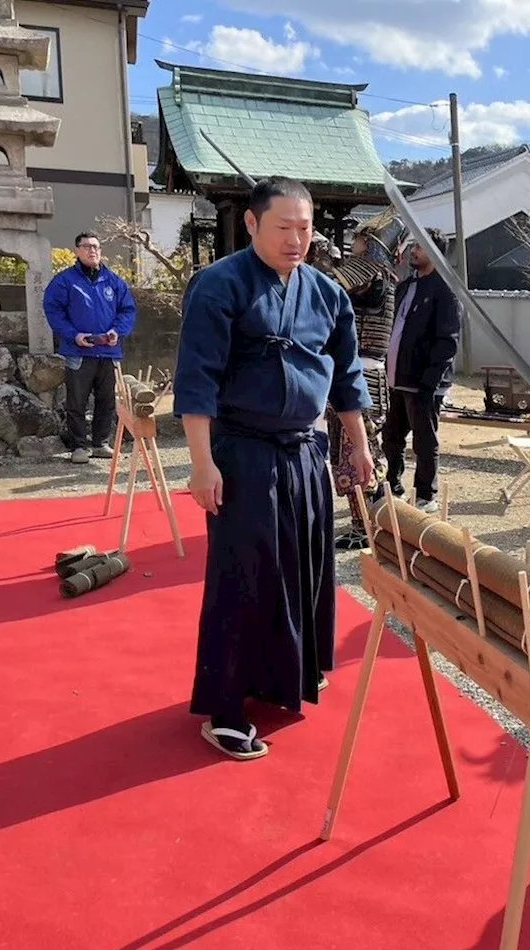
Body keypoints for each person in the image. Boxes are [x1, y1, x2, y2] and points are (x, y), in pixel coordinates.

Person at [173, 177, 374, 761]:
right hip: (242, 452)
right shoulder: (219, 285)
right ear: (254, 224)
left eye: (305, 228)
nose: (296, 239)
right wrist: (202, 463)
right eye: (283, 227)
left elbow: (346, 376)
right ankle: (226, 708)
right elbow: (197, 380)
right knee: (245, 575)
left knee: (305, 565)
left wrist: (357, 445)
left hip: (305, 450)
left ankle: (290, 674)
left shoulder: (326, 294)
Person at [310, 217, 406, 549]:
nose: (355, 243)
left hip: (362, 376)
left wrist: (320, 253)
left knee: (360, 454)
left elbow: (327, 284)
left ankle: (367, 525)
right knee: (347, 453)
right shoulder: (373, 274)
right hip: (352, 375)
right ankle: (367, 523)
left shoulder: (373, 272)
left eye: (361, 239)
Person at [382, 228, 461, 513]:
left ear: (437, 253)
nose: (414, 251)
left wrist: (430, 382)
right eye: (413, 246)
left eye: (421, 247)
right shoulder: (405, 286)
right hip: (396, 377)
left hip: (424, 382)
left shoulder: (445, 289)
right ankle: (393, 485)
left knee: (424, 440)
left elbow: (447, 341)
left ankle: (427, 494)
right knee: (391, 436)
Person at [43, 231, 137, 464]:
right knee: (77, 401)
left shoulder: (114, 281)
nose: (92, 250)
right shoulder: (64, 281)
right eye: (86, 246)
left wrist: (118, 331)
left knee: (106, 401)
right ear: (77, 251)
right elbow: (53, 310)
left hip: (109, 351)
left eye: (95, 246)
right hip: (79, 351)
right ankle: (78, 446)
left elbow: (127, 310)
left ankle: (100, 443)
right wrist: (73, 335)